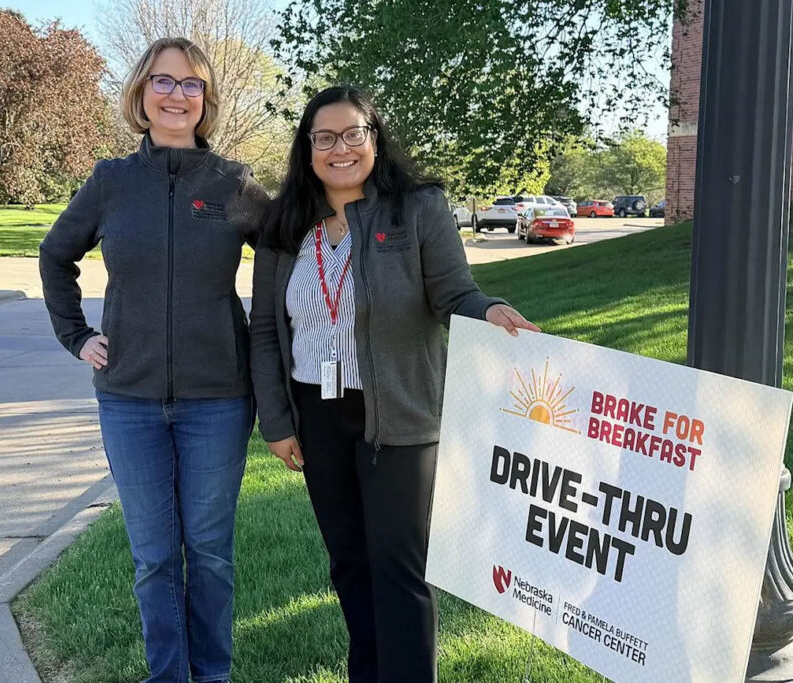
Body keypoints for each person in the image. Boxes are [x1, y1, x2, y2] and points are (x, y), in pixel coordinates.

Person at [249, 85, 539, 682]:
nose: (340, 148)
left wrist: (489, 310)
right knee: (350, 564)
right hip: (316, 414)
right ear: (307, 150)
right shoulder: (283, 227)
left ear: (375, 139)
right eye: (323, 138)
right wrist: (277, 422)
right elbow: (264, 330)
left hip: (400, 412)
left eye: (354, 133)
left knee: (399, 568)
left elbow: (454, 292)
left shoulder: (417, 209)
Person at [39, 37, 269, 683]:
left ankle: (213, 674)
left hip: (218, 399)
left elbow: (293, 246)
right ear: (141, 93)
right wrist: (76, 335)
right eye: (163, 82)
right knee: (154, 556)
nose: (176, 94)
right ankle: (168, 674)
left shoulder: (232, 182)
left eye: (191, 84)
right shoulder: (112, 181)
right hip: (129, 399)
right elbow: (55, 256)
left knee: (211, 551)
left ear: (207, 100)